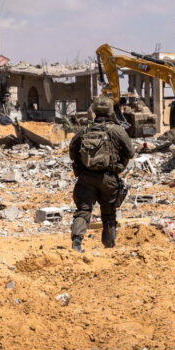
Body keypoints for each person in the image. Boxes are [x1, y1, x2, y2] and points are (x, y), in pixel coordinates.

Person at [68, 95, 134, 252]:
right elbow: (130, 153)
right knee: (109, 214)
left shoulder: (84, 130)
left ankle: (76, 243)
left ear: (94, 111)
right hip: (109, 179)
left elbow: (72, 149)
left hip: (86, 178)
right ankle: (109, 247)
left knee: (83, 210)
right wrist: (119, 166)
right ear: (111, 111)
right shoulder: (117, 130)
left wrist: (80, 167)